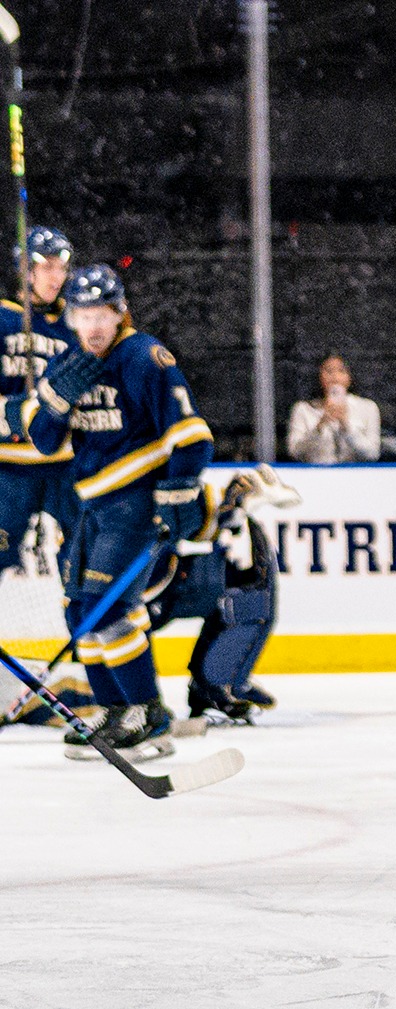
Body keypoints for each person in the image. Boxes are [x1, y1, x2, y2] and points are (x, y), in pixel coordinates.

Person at [19, 264, 213, 761]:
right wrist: (57, 403)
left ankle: (147, 714)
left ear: (120, 312)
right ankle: (112, 711)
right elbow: (43, 441)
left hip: (135, 502)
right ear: (71, 318)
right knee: (79, 611)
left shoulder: (144, 356)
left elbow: (192, 434)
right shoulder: (70, 362)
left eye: (102, 314)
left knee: (107, 608)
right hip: (92, 504)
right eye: (83, 315)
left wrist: (178, 490)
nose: (93, 325)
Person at [145, 465, 302, 725]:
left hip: (147, 581)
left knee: (246, 592)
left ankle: (213, 685)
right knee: (249, 597)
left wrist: (229, 508)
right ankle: (131, 701)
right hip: (133, 587)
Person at [0, 226, 80, 572]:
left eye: (61, 268)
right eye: (47, 267)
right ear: (25, 270)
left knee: (82, 558)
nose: (56, 276)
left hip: (63, 463)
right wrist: (13, 412)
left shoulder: (74, 324)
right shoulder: (3, 318)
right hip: (9, 465)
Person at [286, 354, 381, 463]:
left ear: (350, 377)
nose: (335, 377)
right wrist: (319, 426)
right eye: (329, 371)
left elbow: (372, 454)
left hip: (354, 472)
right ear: (319, 376)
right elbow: (294, 452)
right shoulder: (303, 409)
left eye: (341, 371)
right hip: (316, 471)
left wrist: (346, 427)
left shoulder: (368, 407)